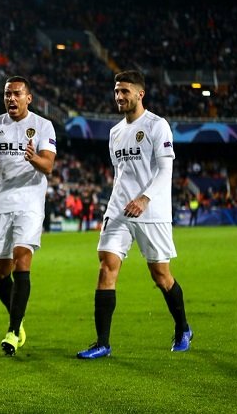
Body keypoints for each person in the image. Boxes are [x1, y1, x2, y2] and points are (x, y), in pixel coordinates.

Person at [76, 70, 192, 360]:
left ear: (140, 94)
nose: (119, 96)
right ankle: (102, 343)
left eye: (124, 91)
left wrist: (144, 198)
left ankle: (183, 328)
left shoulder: (157, 125)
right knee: (106, 266)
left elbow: (165, 169)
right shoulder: (115, 132)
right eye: (116, 91)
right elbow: (121, 174)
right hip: (119, 209)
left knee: (161, 275)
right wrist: (122, 200)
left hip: (151, 210)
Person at [0, 76, 57, 356]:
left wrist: (33, 158)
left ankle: (12, 331)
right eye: (7, 94)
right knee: (0, 272)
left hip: (29, 203)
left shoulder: (43, 126)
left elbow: (48, 165)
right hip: (1, 203)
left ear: (28, 98)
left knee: (22, 257)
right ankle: (18, 318)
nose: (11, 98)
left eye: (17, 94)